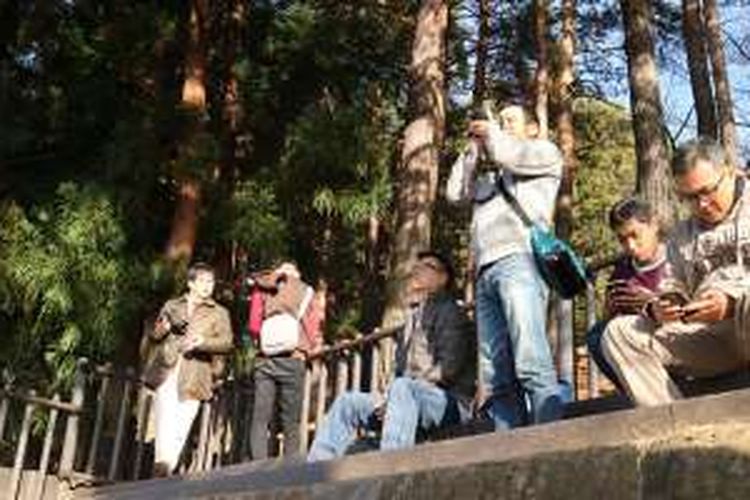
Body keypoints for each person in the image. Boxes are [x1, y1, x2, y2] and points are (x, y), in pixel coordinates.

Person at [601, 138, 750, 407]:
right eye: (689, 198)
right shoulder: (681, 235)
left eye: (707, 191)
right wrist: (665, 306)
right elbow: (671, 284)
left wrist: (730, 302)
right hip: (712, 340)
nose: (701, 204)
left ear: (729, 171)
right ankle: (678, 433)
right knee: (619, 332)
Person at [446, 103, 563, 429]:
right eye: (499, 121)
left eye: (510, 120)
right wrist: (472, 149)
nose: (502, 125)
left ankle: (550, 437)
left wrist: (493, 136)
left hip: (521, 261)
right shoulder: (491, 170)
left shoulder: (544, 152)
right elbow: (455, 194)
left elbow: (511, 155)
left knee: (530, 358)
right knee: (494, 371)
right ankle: (507, 443)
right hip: (485, 271)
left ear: (533, 128)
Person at [307, 251, 475, 461]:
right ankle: (317, 467)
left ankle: (389, 467)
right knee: (347, 402)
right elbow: (399, 371)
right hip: (405, 397)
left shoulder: (451, 311)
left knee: (403, 387)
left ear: (443, 278)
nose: (418, 270)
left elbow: (449, 367)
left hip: (449, 402)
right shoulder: (413, 316)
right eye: (417, 265)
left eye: (427, 266)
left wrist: (399, 394)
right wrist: (390, 399)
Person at [148, 263, 233, 476]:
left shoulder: (219, 313)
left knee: (182, 423)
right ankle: (163, 467)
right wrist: (163, 329)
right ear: (191, 283)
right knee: (164, 419)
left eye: (210, 282)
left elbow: (226, 343)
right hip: (168, 367)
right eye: (203, 281)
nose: (207, 286)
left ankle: (166, 466)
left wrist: (202, 342)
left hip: (196, 372)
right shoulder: (172, 305)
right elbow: (155, 335)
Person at [586, 197, 667, 387]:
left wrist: (652, 303)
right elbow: (608, 321)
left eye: (635, 235)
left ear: (654, 225)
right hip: (636, 339)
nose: (630, 246)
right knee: (597, 335)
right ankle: (634, 392)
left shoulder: (677, 255)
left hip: (675, 332)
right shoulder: (622, 272)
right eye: (622, 239)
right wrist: (611, 312)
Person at [250, 262, 322, 460]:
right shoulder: (306, 291)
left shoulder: (263, 286)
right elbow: (312, 327)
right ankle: (290, 466)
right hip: (293, 358)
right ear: (296, 274)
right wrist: (306, 348)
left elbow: (254, 325)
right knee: (291, 419)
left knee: (260, 418)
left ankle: (258, 466)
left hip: (265, 359)